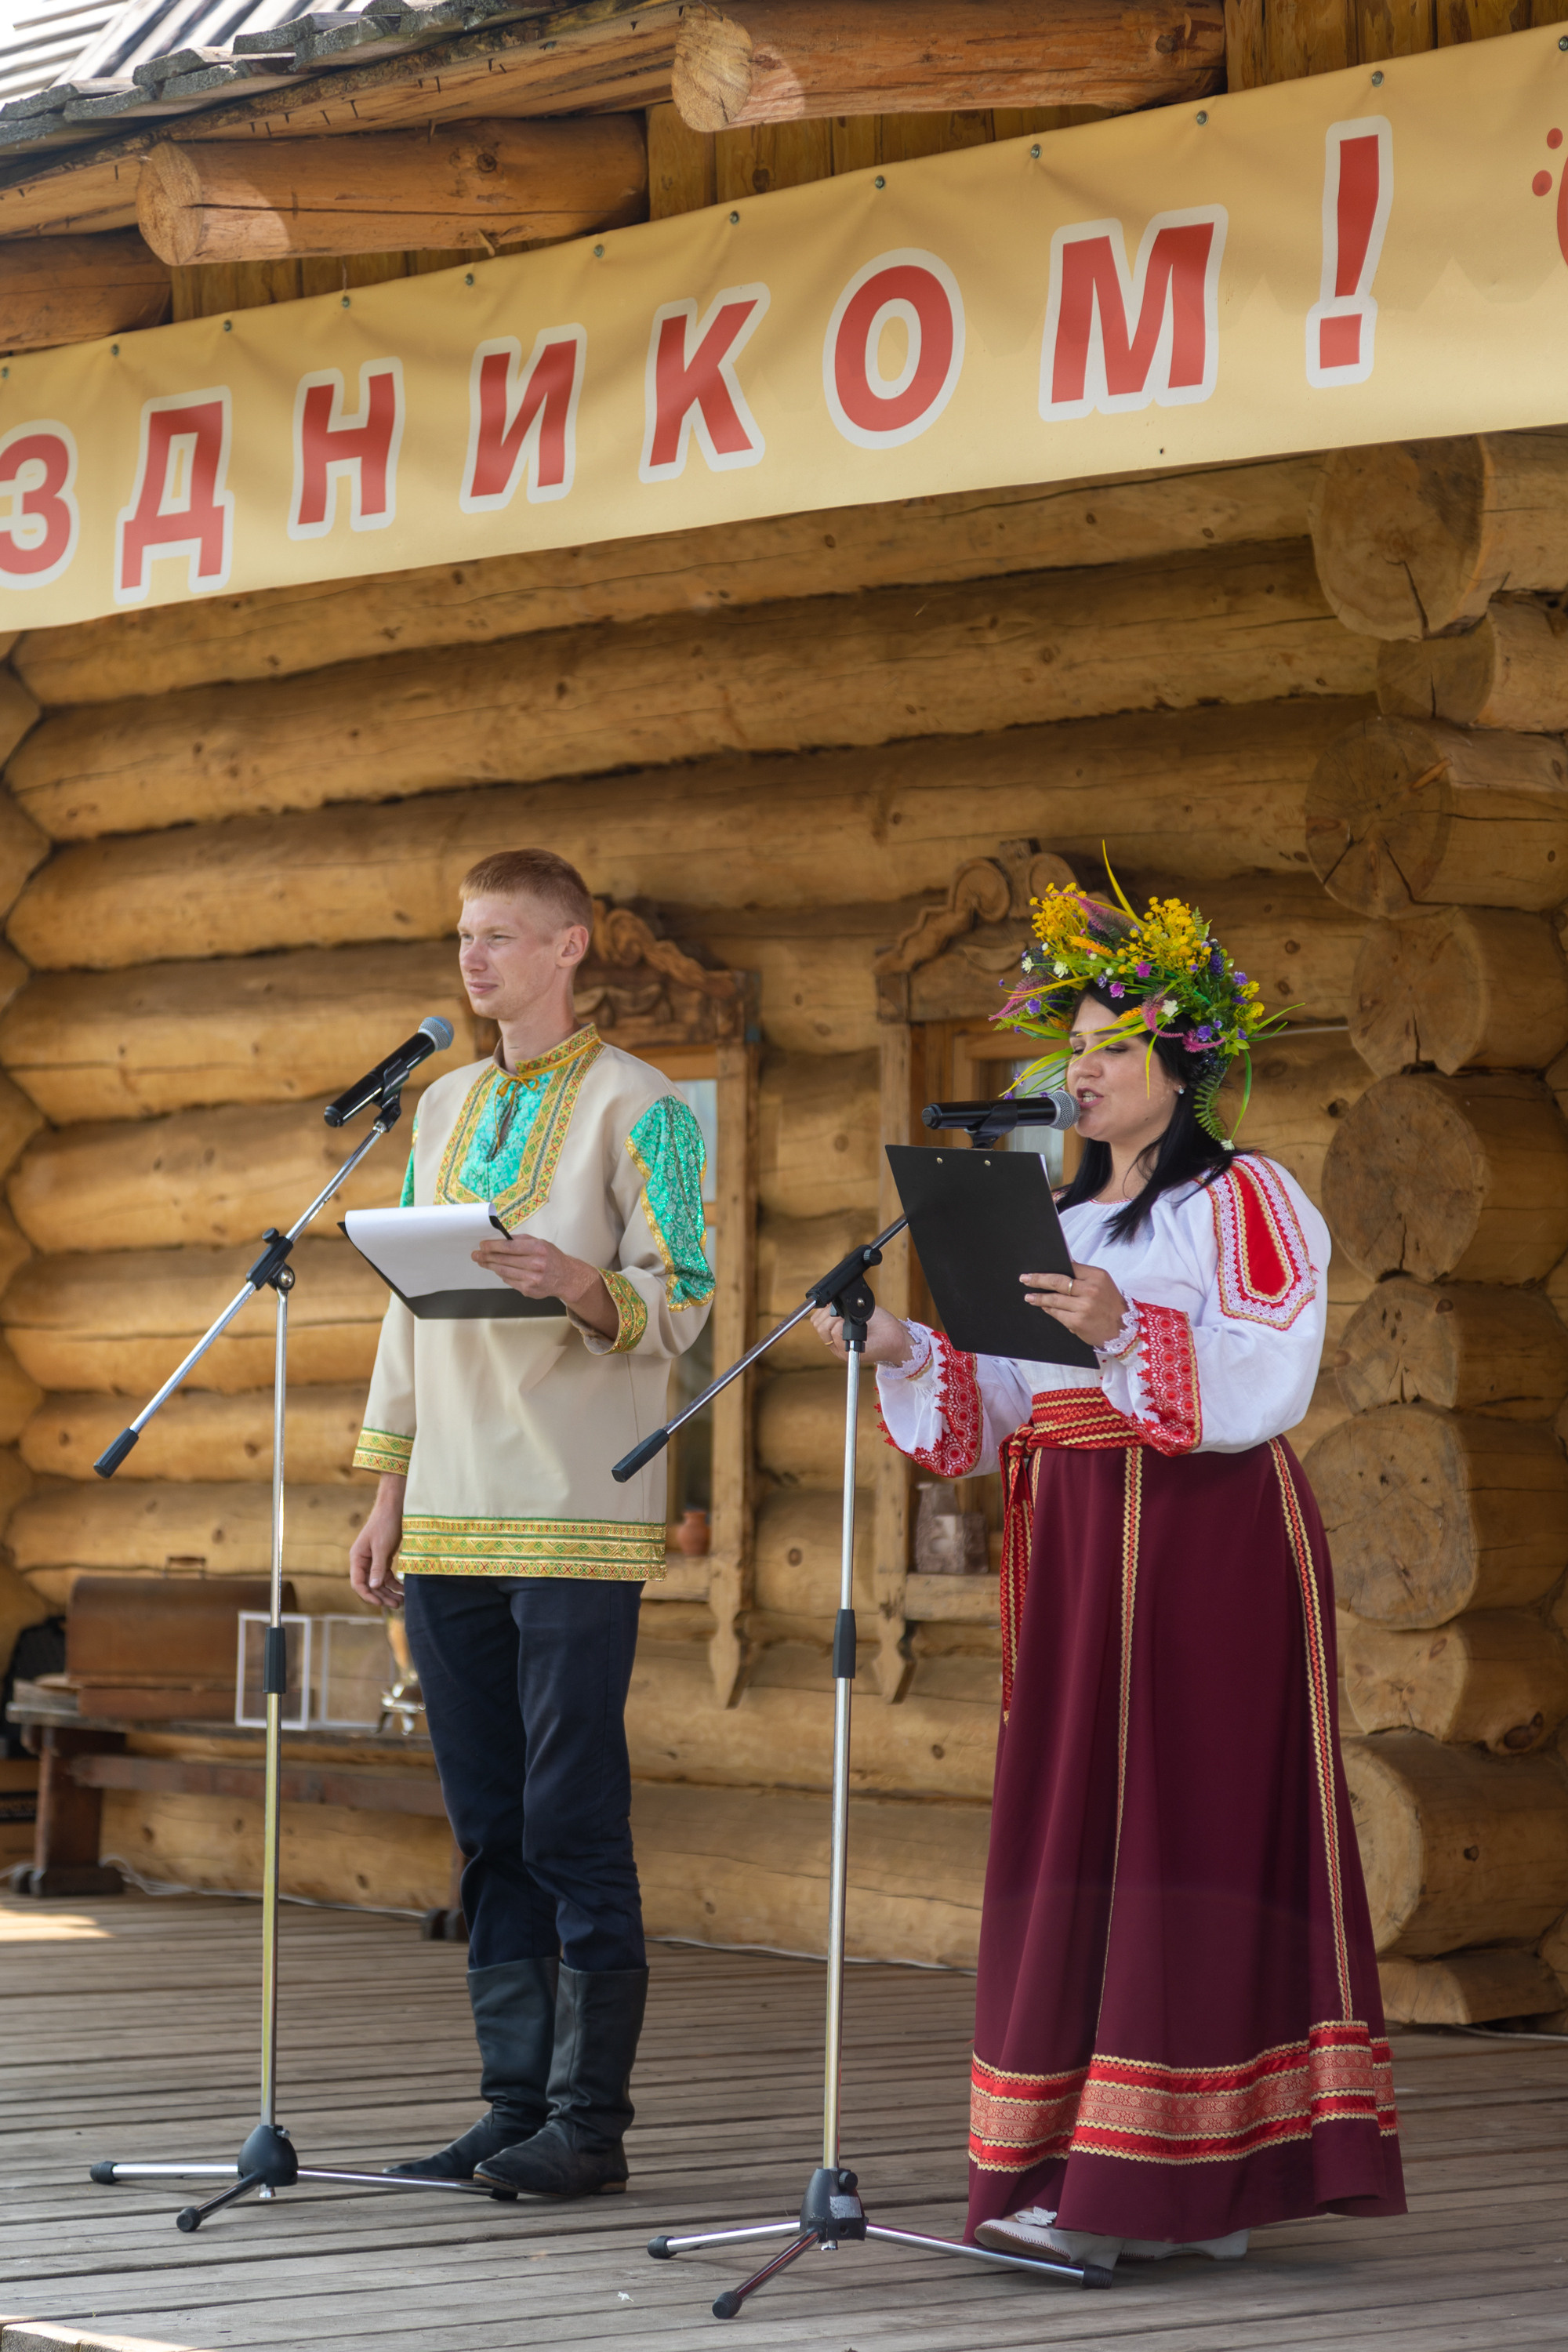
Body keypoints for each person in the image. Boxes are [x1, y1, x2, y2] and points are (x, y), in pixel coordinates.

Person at [811, 880, 1404, 2270]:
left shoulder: (1251, 1198)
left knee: (1189, 1826)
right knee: (1081, 1824)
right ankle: (1083, 2165)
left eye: (1114, 1049)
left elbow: (1269, 1371)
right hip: (1078, 1537)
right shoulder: (1056, 1218)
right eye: (1070, 1050)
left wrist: (1129, 1327)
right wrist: (907, 1350)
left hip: (1207, 1541)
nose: (1080, 1072)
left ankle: (1187, 2177)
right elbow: (1003, 1404)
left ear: (1185, 1068)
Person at [347, 848, 713, 2199]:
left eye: (502, 935)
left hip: (574, 1510)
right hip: (445, 1513)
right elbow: (405, 1310)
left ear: (572, 947)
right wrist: (389, 1486)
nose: (475, 959)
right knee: (488, 1821)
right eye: (465, 935)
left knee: (570, 1816)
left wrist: (579, 1280)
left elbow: (689, 1299)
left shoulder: (647, 1106)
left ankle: (590, 2126)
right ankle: (510, 2109)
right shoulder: (439, 1105)